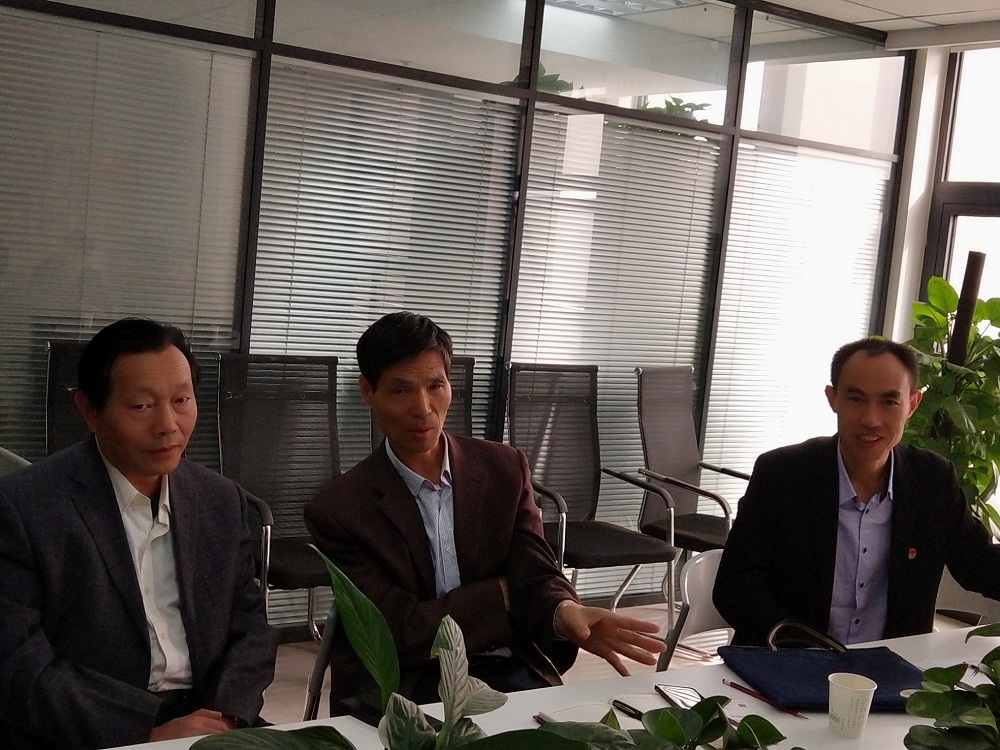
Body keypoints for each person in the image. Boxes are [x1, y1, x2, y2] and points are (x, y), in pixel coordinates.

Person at [305, 312, 665, 708]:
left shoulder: (503, 469)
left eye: (435, 386)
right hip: (405, 687)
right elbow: (395, 634)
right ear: (368, 391)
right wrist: (500, 594)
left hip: (504, 666)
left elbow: (534, 571)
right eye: (400, 390)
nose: (423, 408)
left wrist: (564, 612)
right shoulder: (340, 509)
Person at [0, 318, 277, 750]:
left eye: (181, 400)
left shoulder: (219, 500)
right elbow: (18, 663)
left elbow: (251, 629)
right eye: (142, 406)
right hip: (92, 727)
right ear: (89, 410)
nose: (168, 424)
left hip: (212, 719)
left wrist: (224, 717)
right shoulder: (25, 507)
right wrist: (146, 732)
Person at [713, 336, 1000, 647]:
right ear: (832, 398)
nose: (871, 420)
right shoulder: (783, 474)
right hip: (787, 659)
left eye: (889, 402)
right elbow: (734, 588)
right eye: (856, 399)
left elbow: (978, 564)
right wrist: (803, 647)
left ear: (912, 404)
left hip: (889, 665)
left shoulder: (932, 479)